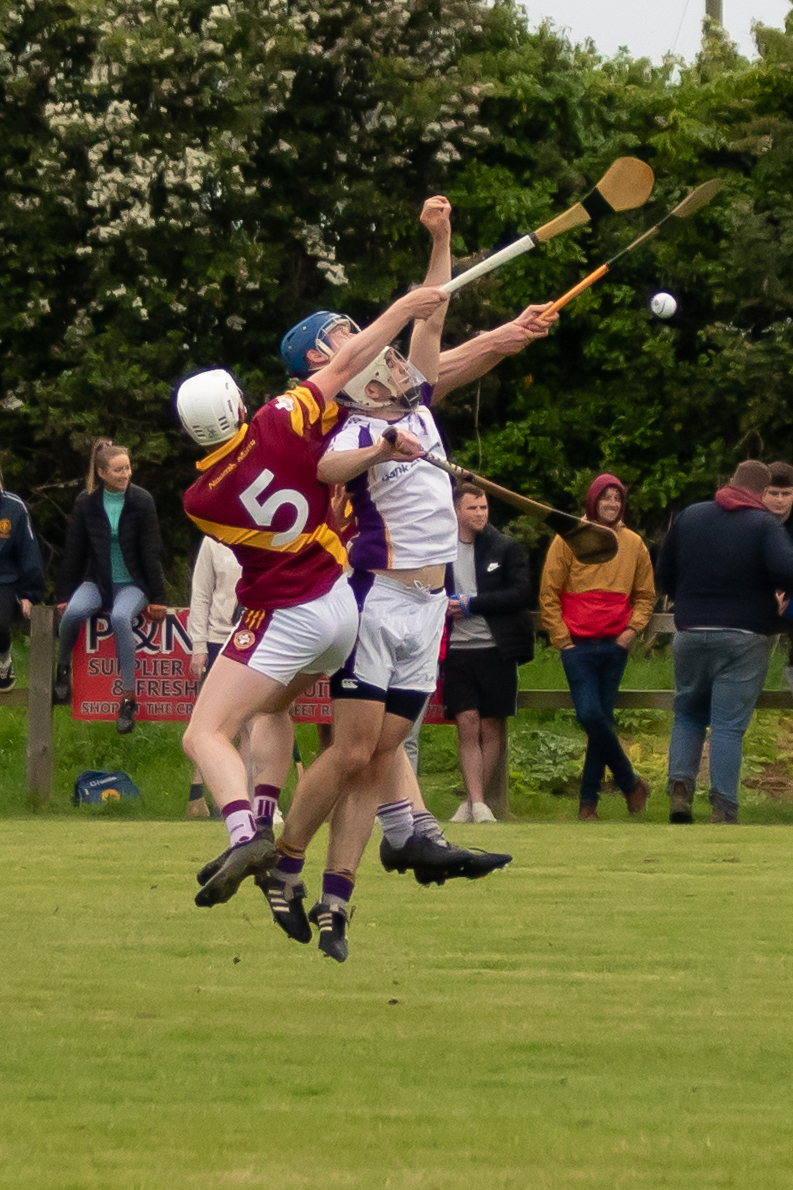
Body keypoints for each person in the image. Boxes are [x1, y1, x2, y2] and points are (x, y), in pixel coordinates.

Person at [175, 281, 451, 934]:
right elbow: (349, 364)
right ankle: (330, 831)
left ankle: (248, 828)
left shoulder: (197, 501)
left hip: (286, 611)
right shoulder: (279, 420)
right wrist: (404, 311)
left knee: (203, 733)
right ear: (238, 405)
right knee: (273, 709)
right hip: (339, 608)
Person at [657, 459, 793, 824]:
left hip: (689, 631)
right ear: (763, 492)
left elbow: (664, 572)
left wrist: (687, 599)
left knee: (687, 713)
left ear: (730, 481)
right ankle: (723, 806)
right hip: (742, 635)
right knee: (728, 725)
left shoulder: (690, 516)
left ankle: (681, 790)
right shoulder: (763, 523)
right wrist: (777, 601)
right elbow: (787, 570)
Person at [539, 473, 655, 821]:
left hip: (615, 644)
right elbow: (549, 593)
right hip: (578, 646)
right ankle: (630, 782)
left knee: (599, 722)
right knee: (591, 716)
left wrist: (630, 633)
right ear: (593, 501)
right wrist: (564, 640)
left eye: (617, 499)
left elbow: (646, 596)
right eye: (606, 498)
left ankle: (587, 805)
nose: (612, 504)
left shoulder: (634, 543)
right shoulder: (569, 539)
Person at [54, 439, 167, 733]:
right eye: (117, 470)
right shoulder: (86, 503)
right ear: (102, 472)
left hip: (133, 583)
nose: (125, 474)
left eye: (127, 468)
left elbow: (151, 552)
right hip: (99, 581)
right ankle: (63, 668)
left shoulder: (142, 501)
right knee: (73, 613)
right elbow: (74, 551)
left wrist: (158, 597)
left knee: (120, 617)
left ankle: (128, 699)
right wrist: (64, 595)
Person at [443, 482, 533, 823]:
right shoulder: (438, 547)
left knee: (490, 725)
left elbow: (522, 593)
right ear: (456, 511)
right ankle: (478, 801)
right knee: (466, 722)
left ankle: (474, 803)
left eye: (483, 508)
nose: (480, 514)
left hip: (496, 648)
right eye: (472, 508)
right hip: (455, 649)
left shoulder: (505, 547)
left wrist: (472, 605)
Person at [185, 536, 243, 819]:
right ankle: (219, 798)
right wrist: (198, 646)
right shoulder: (212, 539)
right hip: (219, 640)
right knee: (216, 725)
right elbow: (201, 595)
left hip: (259, 636)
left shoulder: (270, 527)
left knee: (253, 724)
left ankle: (251, 802)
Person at [0, 464, 46, 693]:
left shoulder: (14, 507)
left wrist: (29, 593)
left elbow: (28, 551)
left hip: (5, 579)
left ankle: (3, 661)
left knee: (0, 623)